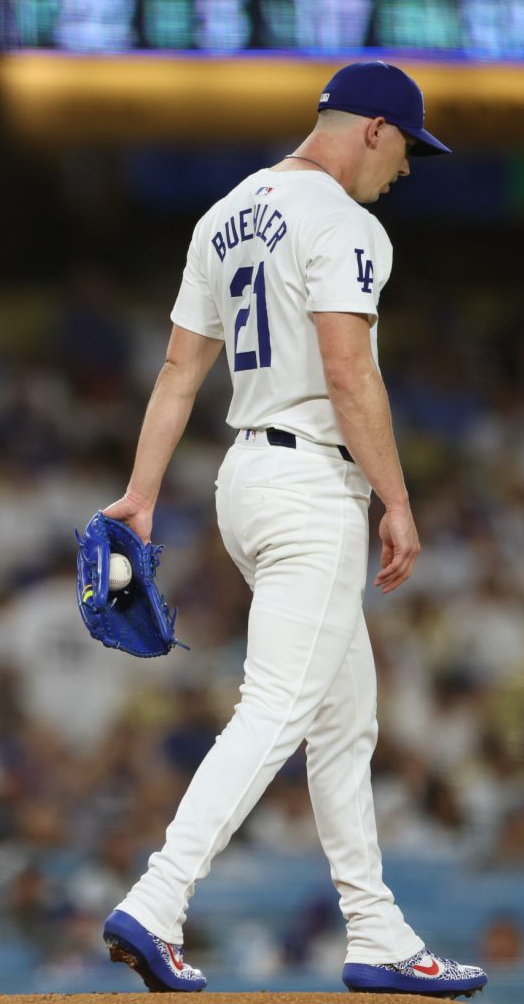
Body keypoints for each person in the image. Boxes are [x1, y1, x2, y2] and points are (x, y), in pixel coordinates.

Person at [93, 61, 488, 997]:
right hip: (312, 484)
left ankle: (377, 932)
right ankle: (155, 901)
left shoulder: (223, 214)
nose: (403, 173)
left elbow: (180, 374)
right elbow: (350, 374)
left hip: (247, 478)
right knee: (275, 708)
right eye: (406, 154)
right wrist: (397, 499)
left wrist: (140, 495)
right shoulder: (347, 221)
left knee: (345, 722)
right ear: (377, 130)